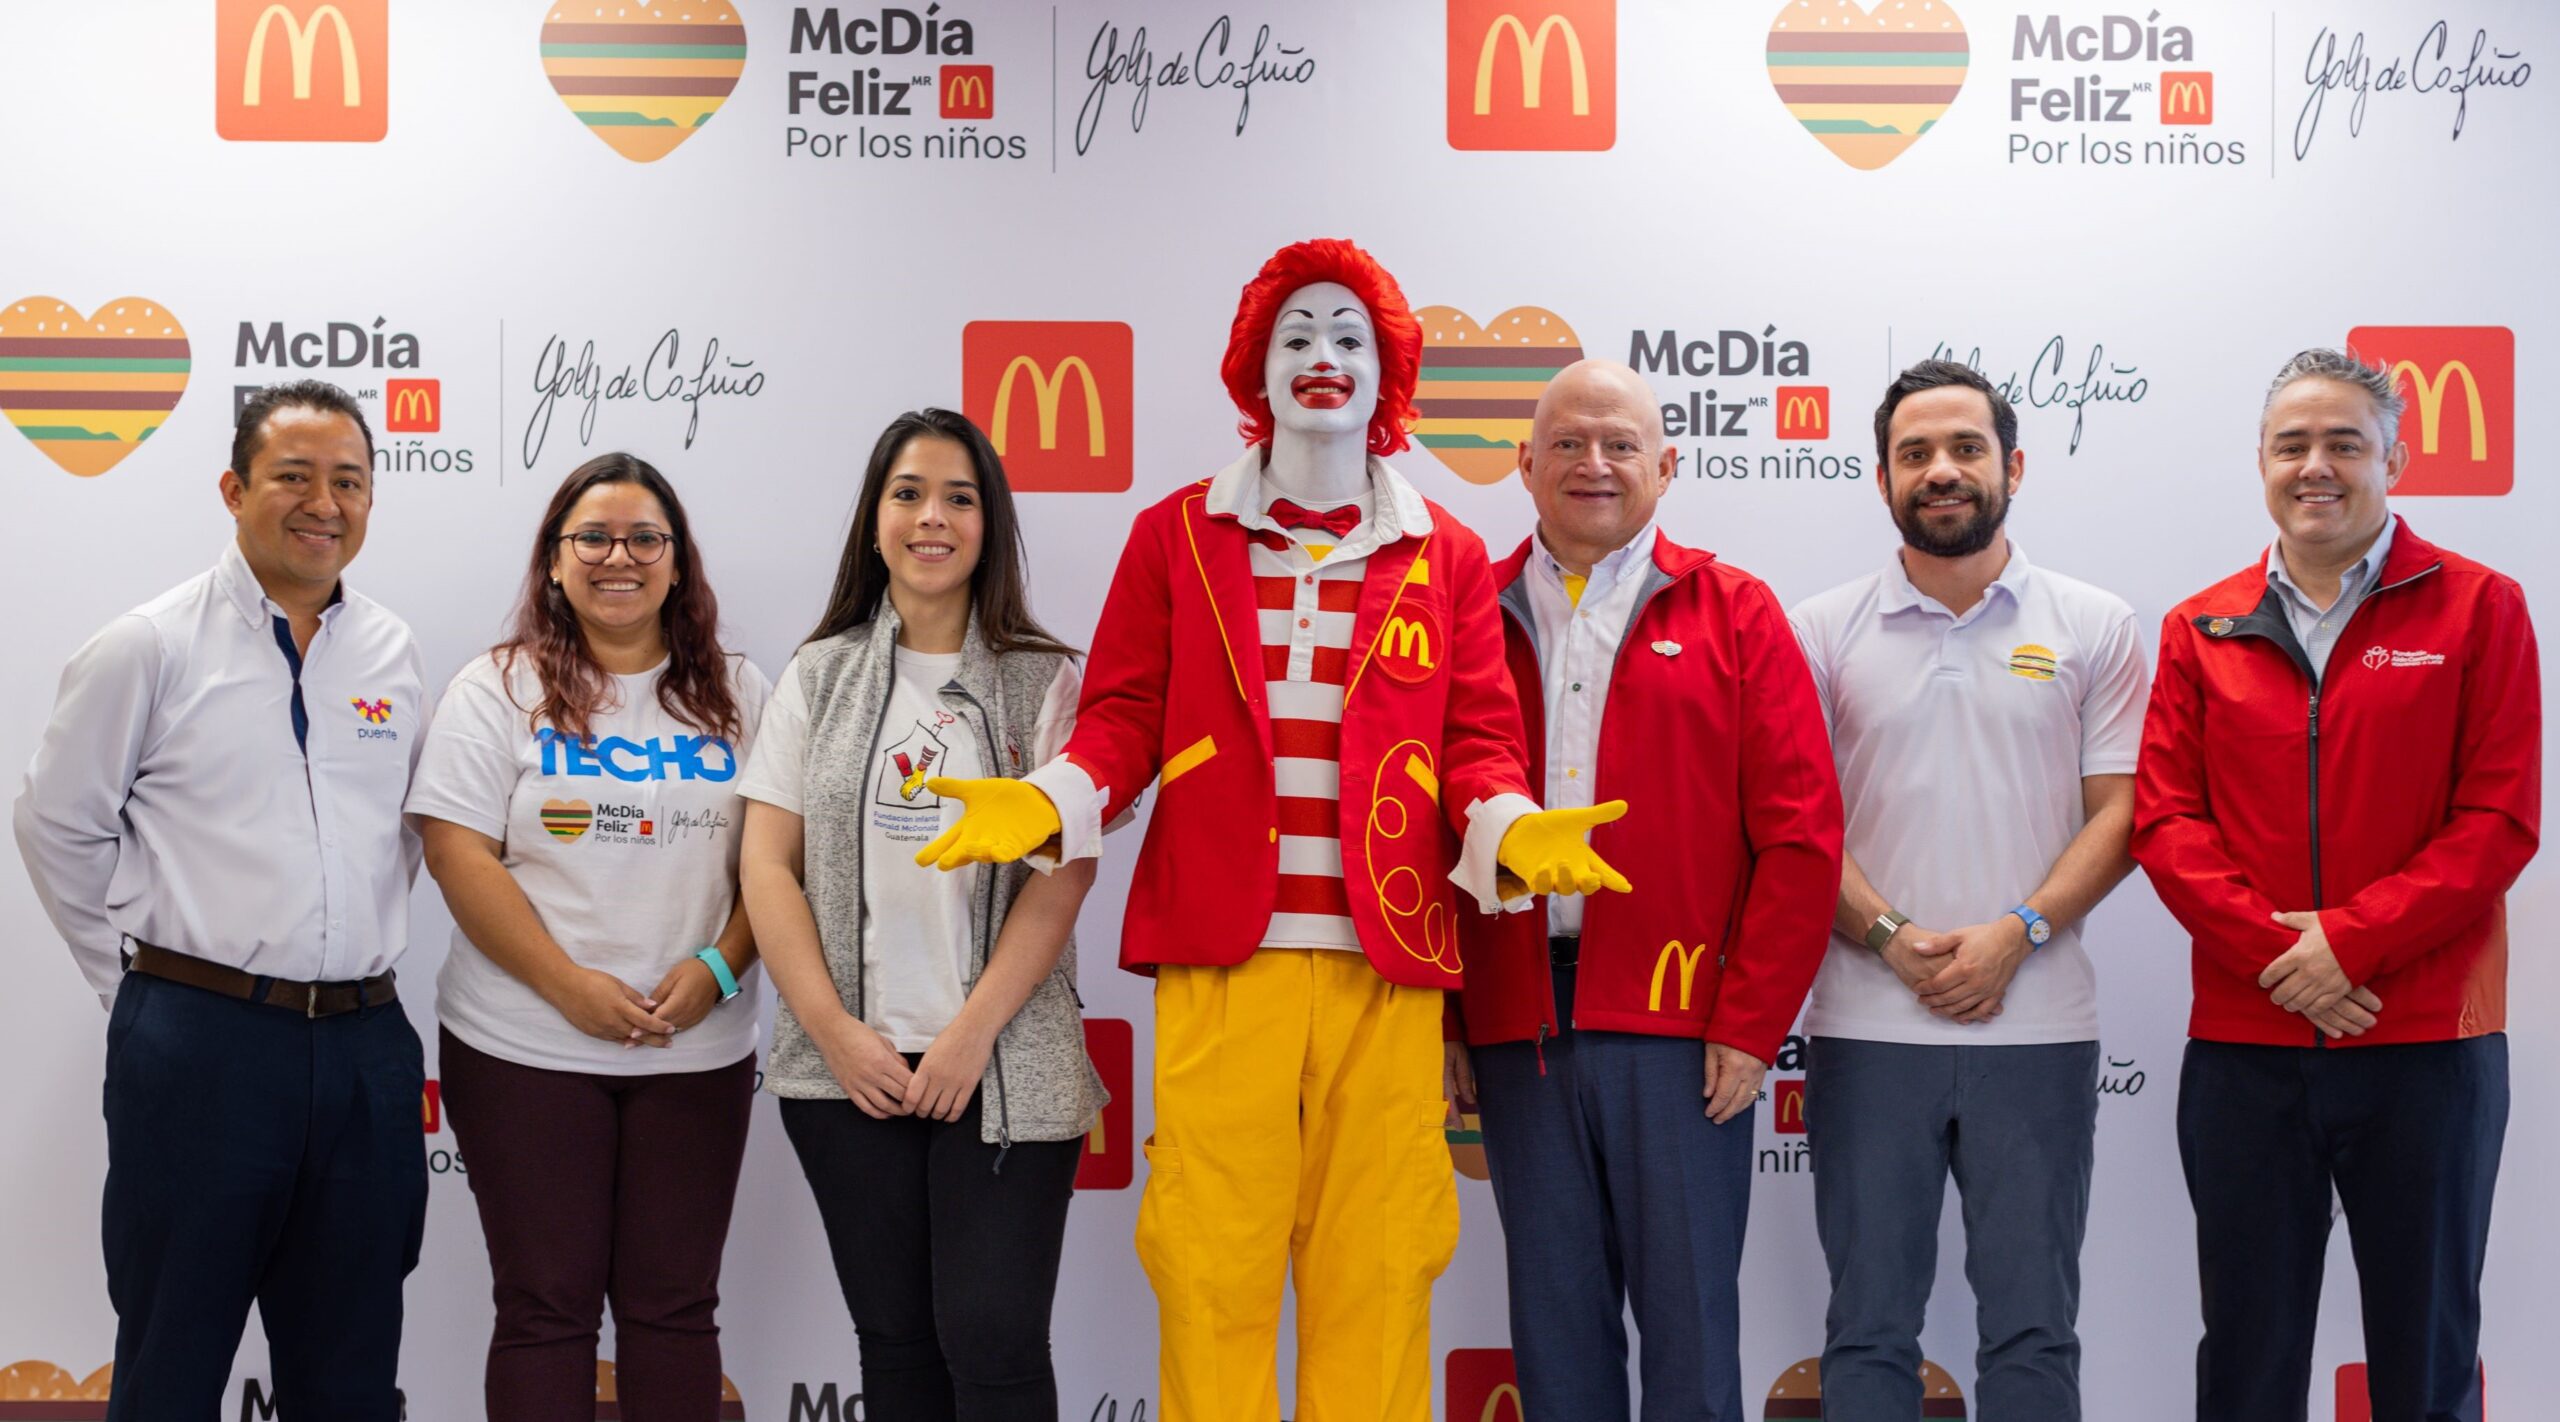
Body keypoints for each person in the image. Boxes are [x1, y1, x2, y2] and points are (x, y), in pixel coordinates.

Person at [917, 238, 1629, 1422]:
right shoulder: (1176, 534)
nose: (1321, 356)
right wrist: (1051, 796)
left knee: (1379, 1272)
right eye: (1296, 335)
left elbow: (1476, 743)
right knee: (1210, 1269)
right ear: (1256, 367)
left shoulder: (1447, 554)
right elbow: (1123, 718)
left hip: (1386, 973)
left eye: (1349, 337)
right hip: (1222, 962)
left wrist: (1509, 828)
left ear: (1387, 375)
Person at [2133, 348, 2540, 1422]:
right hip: (2246, 1049)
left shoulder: (2480, 607)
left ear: (2394, 460)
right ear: (2262, 463)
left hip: (2429, 1048)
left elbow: (2498, 821)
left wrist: (2349, 944)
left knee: (2427, 1360)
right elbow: (2166, 823)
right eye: (2292, 445)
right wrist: (2287, 960)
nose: (2315, 465)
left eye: (2344, 443)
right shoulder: (2199, 626)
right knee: (2247, 1364)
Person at [13, 380, 426, 1421]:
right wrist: (142, 992)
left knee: (351, 1373)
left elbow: (402, 837)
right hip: (199, 1048)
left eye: (349, 481)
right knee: (172, 1359)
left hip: (366, 1051)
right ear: (235, 490)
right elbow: (56, 824)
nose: (324, 503)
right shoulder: (148, 645)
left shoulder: (394, 651)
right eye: (294, 477)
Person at [1447, 359, 1843, 1421]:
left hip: (1682, 1035)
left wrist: (1752, 1025)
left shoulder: (1737, 611)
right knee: (1555, 1337)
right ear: (1523, 463)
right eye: (1568, 443)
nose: (1594, 463)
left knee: (1691, 1334)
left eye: (1620, 444)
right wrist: (1450, 1016)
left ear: (1666, 468)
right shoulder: (1465, 611)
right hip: (1517, 1027)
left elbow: (1801, 838)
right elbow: (1425, 820)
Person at [1787, 359, 2148, 1418]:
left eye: (1965, 448)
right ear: (1882, 478)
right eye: (1915, 453)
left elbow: (2123, 813)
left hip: (2035, 1029)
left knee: (2034, 1331)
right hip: (1865, 1027)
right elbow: (1796, 824)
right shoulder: (1819, 629)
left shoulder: (2094, 623)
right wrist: (1890, 937)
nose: (1940, 469)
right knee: (1867, 1331)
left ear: (2012, 468)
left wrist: (2015, 934)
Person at [737, 409, 1107, 1422]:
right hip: (847, 1071)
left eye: (959, 497)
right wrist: (833, 1031)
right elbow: (766, 865)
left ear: (990, 525)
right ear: (875, 519)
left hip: (1003, 1063)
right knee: (895, 1349)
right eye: (908, 494)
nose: (931, 517)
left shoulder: (1044, 678)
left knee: (995, 1343)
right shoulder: (819, 673)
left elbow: (1061, 876)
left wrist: (971, 1034)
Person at [407, 452, 768, 1421]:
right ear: (555, 561)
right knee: (545, 1308)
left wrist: (719, 969)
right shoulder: (497, 688)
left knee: (674, 1310)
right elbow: (456, 852)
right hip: (522, 1044)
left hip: (695, 1048)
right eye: (594, 538)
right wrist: (566, 984)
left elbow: (779, 863)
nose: (620, 557)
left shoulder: (743, 691)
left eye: (646, 538)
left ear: (678, 563)